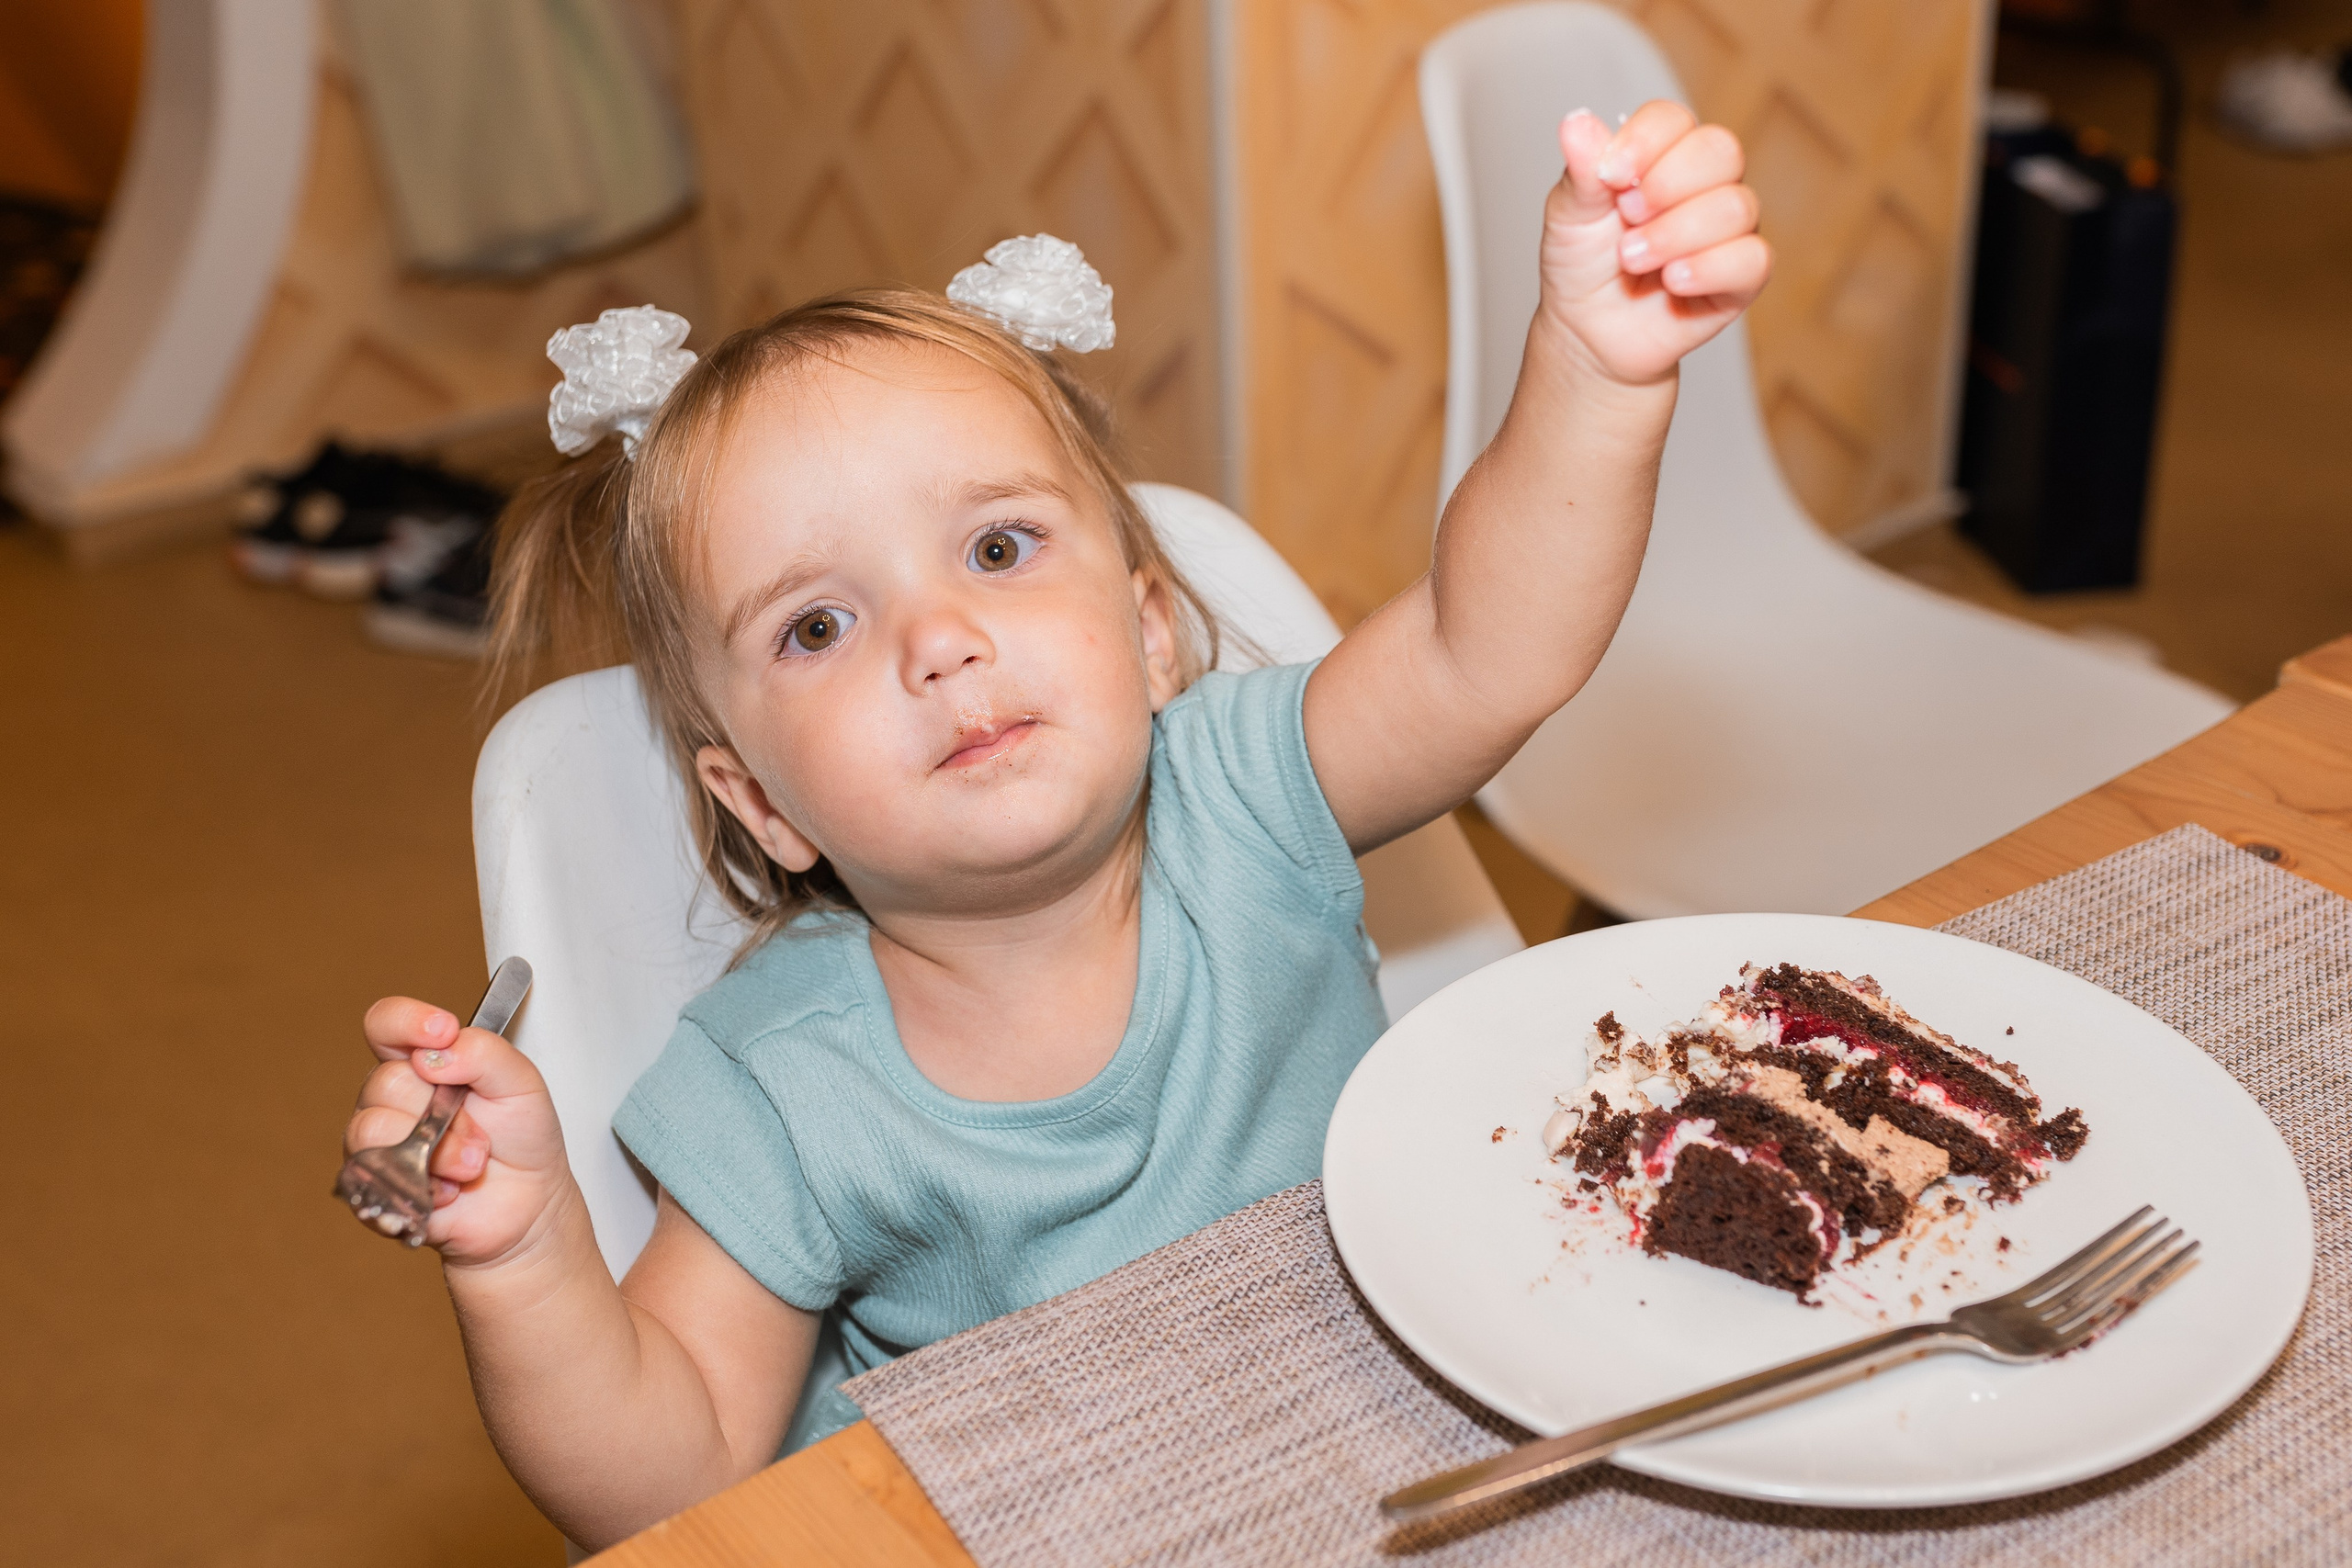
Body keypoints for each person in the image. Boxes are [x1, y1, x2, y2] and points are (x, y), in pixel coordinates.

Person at [340, 100, 1768, 1549]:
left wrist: (1591, 372)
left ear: (1152, 636)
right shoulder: (781, 1086)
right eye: (820, 623)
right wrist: (526, 1261)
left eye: (999, 548)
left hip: (1378, 1448)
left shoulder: (1245, 798)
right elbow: (677, 1482)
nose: (941, 641)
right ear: (763, 804)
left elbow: (1489, 646)